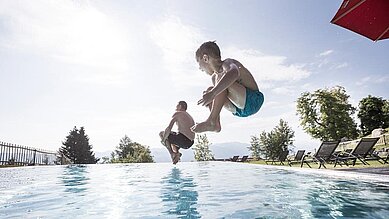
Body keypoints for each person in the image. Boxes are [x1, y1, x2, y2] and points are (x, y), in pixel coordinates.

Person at [191, 41, 264, 133]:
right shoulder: (214, 77)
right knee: (210, 90)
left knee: (218, 83)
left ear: (205, 58)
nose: (200, 68)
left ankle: (211, 121)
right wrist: (211, 97)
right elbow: (221, 94)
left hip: (253, 100)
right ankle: (215, 124)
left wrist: (213, 93)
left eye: (199, 63)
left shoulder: (227, 63)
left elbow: (234, 72)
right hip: (238, 110)